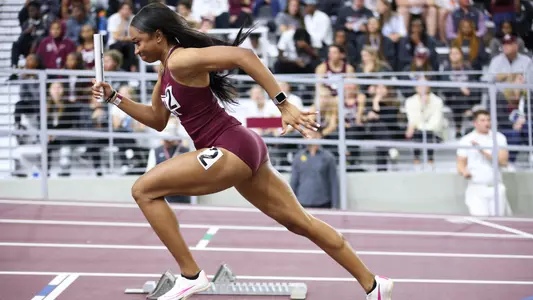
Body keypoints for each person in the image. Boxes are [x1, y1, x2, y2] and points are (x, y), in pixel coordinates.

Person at [91, 3, 393, 300]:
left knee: (144, 190)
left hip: (229, 147)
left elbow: (244, 55)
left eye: (138, 42)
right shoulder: (165, 72)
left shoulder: (181, 60)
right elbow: (157, 121)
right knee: (301, 223)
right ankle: (373, 284)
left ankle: (191, 275)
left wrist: (283, 103)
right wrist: (114, 97)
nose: (136, 51)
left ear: (158, 35)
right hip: (241, 147)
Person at [456, 110, 512, 216]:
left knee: (499, 222)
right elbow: (460, 163)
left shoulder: (499, 138)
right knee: (480, 221)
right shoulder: (466, 140)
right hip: (476, 187)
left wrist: (482, 151)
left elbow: (503, 161)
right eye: (482, 120)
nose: (487, 123)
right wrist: (464, 172)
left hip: (496, 187)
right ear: (475, 123)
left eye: (488, 120)